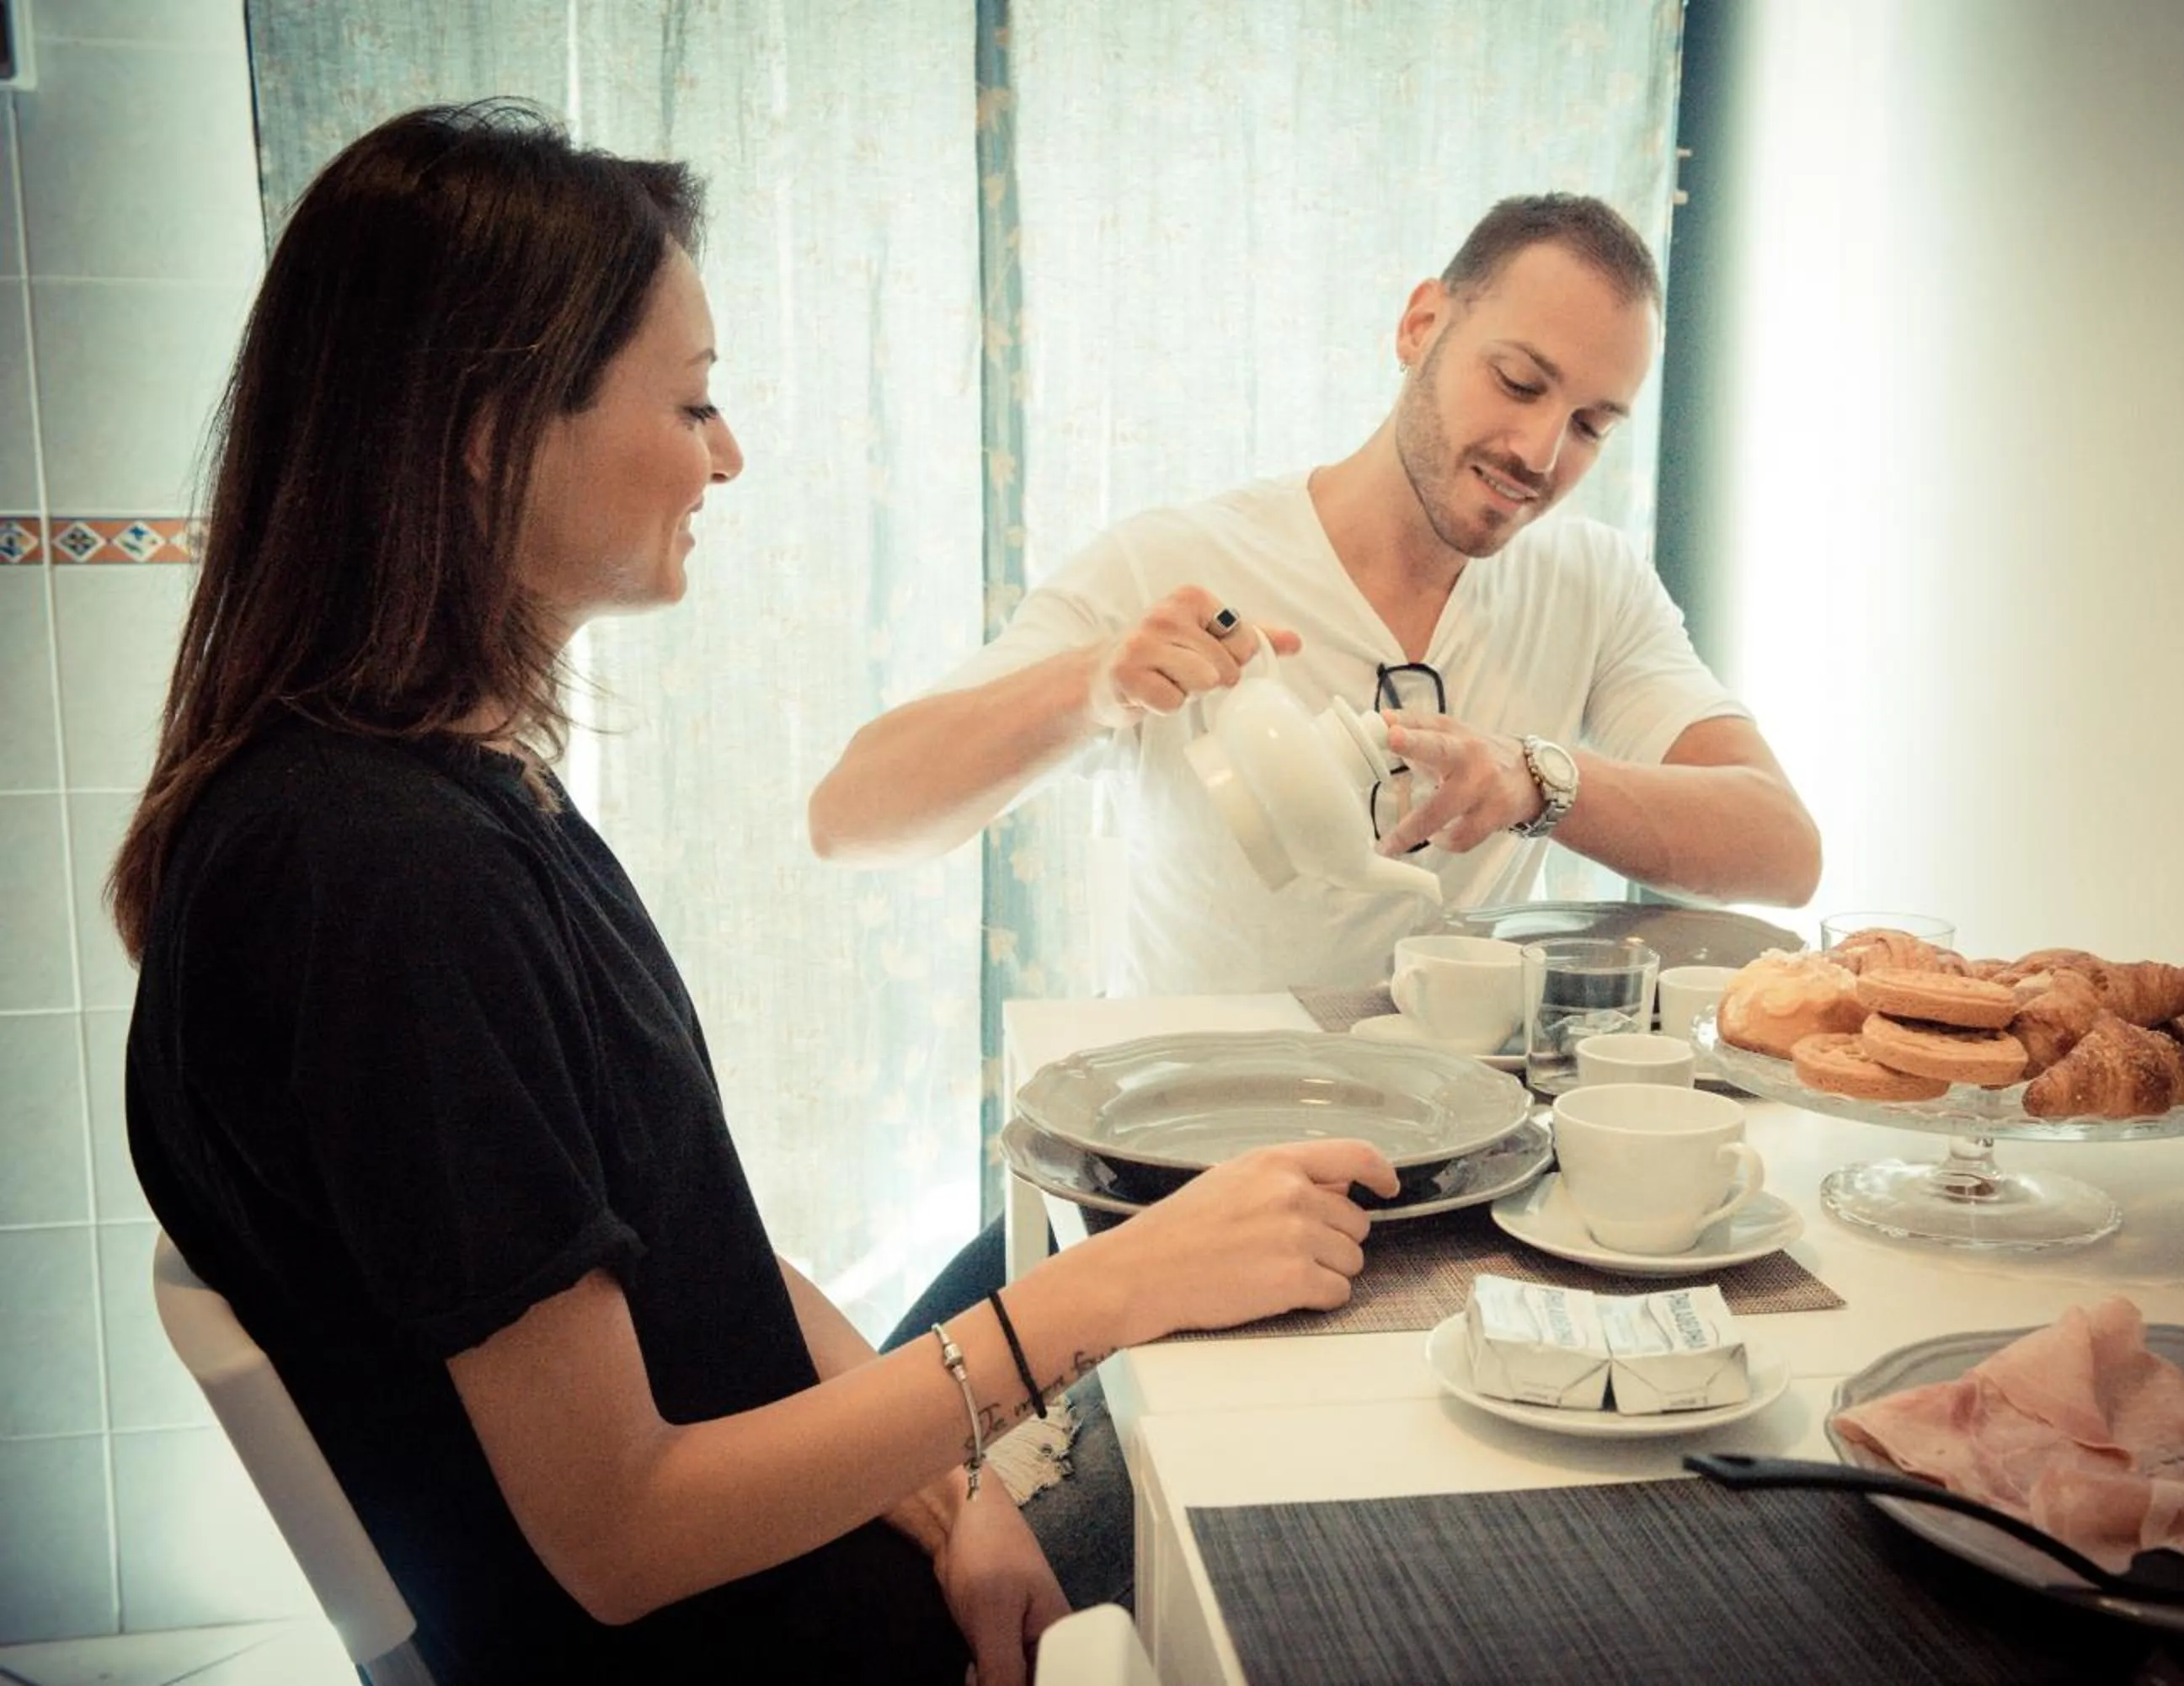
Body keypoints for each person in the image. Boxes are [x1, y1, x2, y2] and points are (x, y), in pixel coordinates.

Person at [110, 101, 1397, 1686]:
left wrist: (963, 1489)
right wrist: (1105, 1292)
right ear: (488, 423)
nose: (728, 453)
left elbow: (682, 1236)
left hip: (833, 1554)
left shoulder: (449, 792)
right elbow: (625, 1530)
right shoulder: (379, 879)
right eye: (694, 401)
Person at [809, 193, 1822, 998]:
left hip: (1455, 1166)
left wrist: (1537, 781)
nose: (1540, 453)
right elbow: (850, 819)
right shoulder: (1173, 563)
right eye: (1517, 382)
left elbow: (1781, 851)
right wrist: (1093, 686)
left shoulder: (1590, 583)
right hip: (1194, 1160)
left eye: (1593, 425)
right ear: (1421, 324)